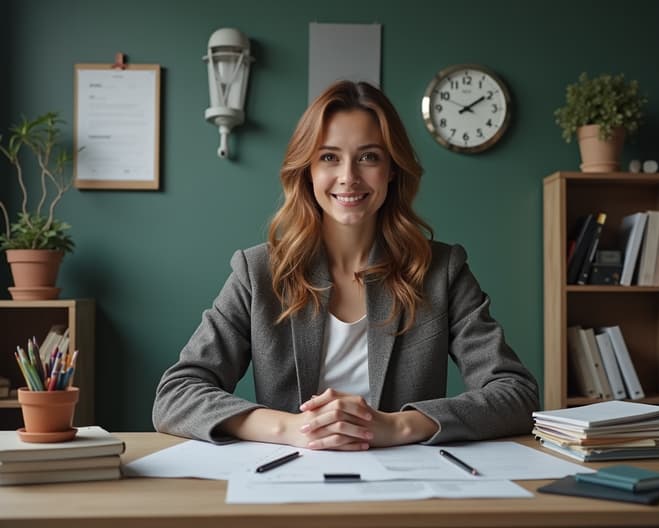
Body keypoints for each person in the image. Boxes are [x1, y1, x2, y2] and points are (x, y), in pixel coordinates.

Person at [153, 80, 539, 451]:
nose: (348, 177)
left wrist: (398, 425)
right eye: (329, 157)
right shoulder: (258, 272)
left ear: (392, 169)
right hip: (287, 487)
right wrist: (291, 428)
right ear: (307, 170)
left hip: (406, 487)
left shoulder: (441, 270)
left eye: (369, 157)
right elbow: (176, 395)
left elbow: (516, 394)